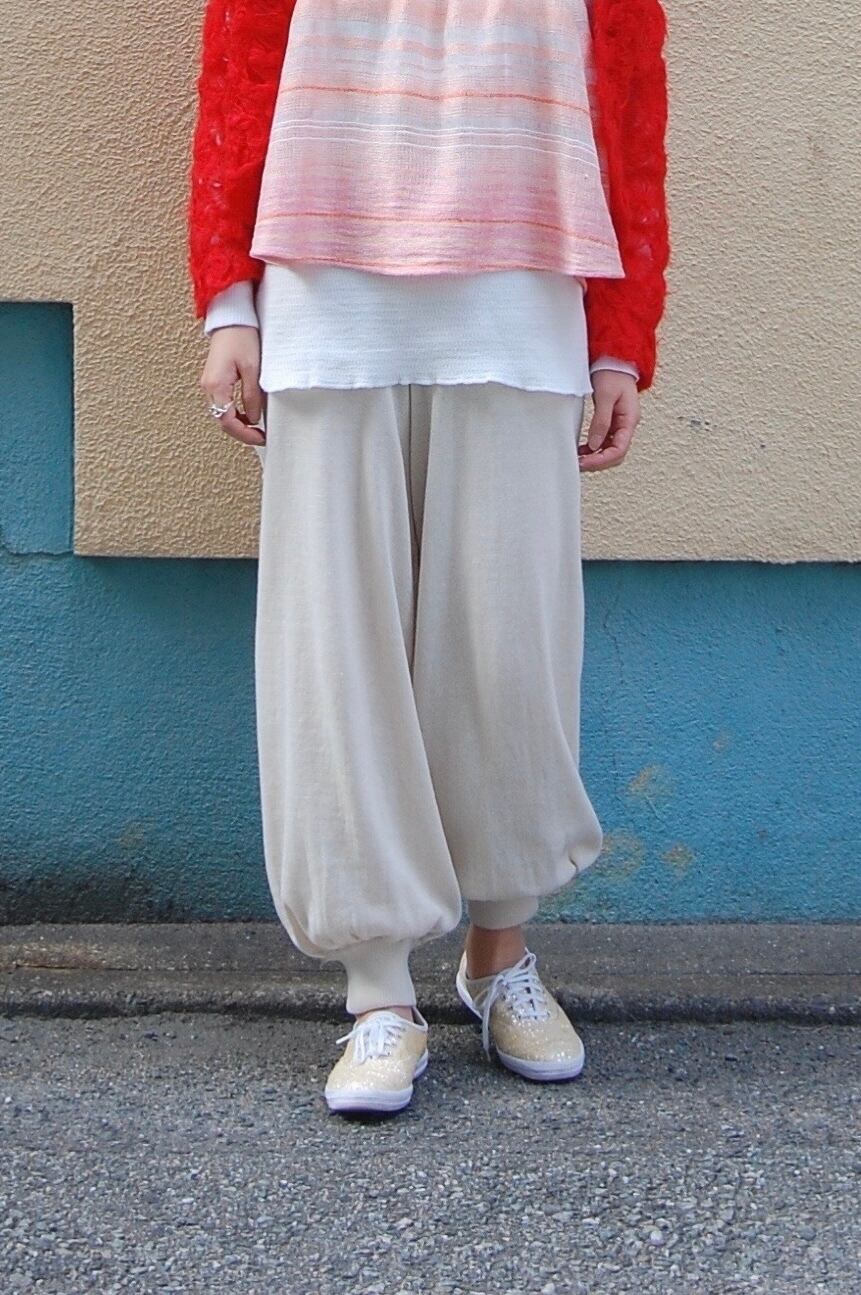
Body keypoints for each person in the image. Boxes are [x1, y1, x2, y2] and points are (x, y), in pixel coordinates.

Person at [188, 0, 669, 1116]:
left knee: (510, 651)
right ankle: (378, 993)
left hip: (521, 297)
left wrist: (618, 339)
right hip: (328, 291)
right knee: (338, 651)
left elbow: (628, 110)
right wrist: (229, 302)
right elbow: (238, 77)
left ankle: (499, 955)